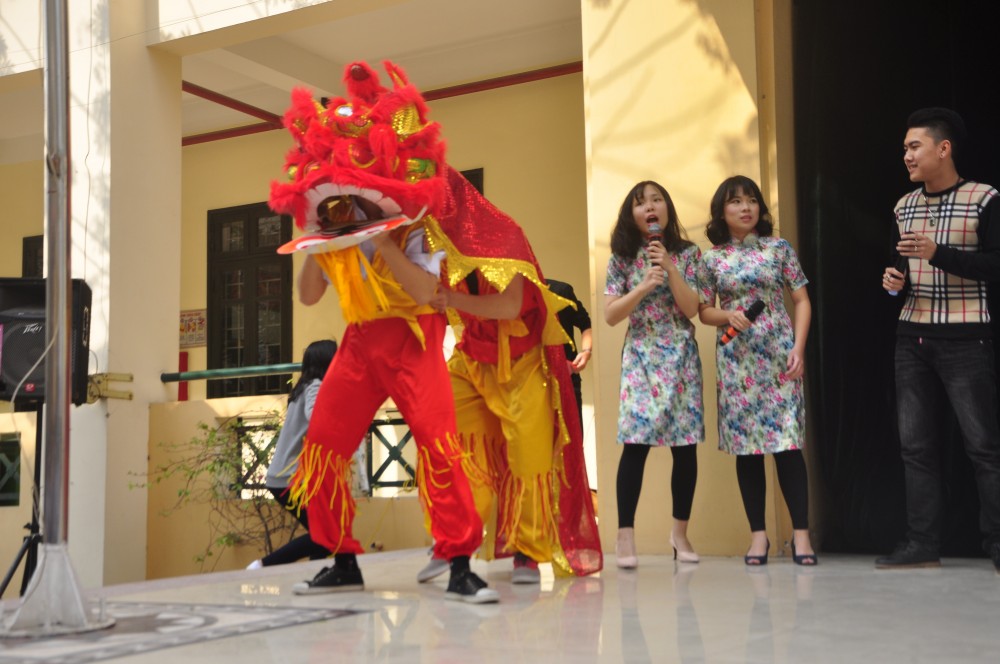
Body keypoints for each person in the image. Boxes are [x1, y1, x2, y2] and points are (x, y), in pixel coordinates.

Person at [417, 172, 602, 585]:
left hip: (523, 362)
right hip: (471, 359)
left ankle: (527, 553)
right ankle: (452, 541)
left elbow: (512, 304)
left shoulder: (503, 235)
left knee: (527, 459)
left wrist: (452, 299)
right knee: (449, 443)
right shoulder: (431, 244)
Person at [877, 107, 1000, 571]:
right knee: (915, 447)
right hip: (912, 337)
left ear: (943, 148)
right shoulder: (903, 206)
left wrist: (938, 254)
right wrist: (894, 282)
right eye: (905, 148)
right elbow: (902, 270)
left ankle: (997, 543)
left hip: (967, 337)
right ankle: (922, 543)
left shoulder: (984, 198)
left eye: (915, 146)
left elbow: (995, 264)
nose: (906, 156)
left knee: (983, 447)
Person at [697, 175, 816, 566]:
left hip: (780, 357)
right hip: (737, 361)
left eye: (751, 200)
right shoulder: (711, 259)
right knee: (747, 450)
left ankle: (802, 537)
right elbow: (704, 311)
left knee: (787, 446)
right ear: (722, 212)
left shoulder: (778, 248)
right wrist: (727, 315)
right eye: (735, 202)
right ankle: (758, 538)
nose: (745, 207)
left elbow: (801, 300)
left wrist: (798, 348)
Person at [604, 180, 704, 568]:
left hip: (680, 355)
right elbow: (611, 315)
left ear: (667, 209)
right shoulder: (621, 258)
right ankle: (624, 536)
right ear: (631, 215)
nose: (649, 207)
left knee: (685, 447)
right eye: (640, 202)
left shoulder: (688, 254)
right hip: (640, 357)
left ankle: (680, 534)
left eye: (656, 200)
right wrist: (644, 286)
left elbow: (692, 308)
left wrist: (670, 267)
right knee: (635, 444)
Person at [247, 340, 337, 569]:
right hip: (291, 479)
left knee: (323, 537)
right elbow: (316, 416)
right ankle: (263, 565)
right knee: (326, 535)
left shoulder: (303, 388)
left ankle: (316, 574)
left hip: (284, 477)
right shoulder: (315, 386)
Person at [545, 278, 593, 428]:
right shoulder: (510, 299)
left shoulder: (561, 290)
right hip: (531, 382)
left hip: (568, 376)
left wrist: (586, 352)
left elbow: (585, 324)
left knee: (573, 434)